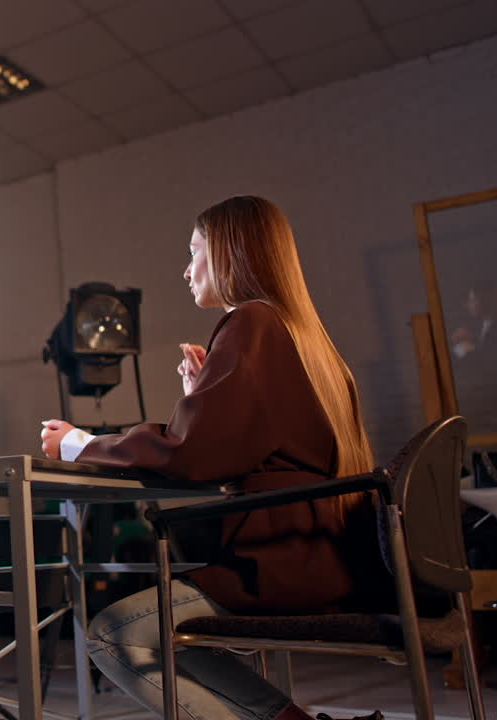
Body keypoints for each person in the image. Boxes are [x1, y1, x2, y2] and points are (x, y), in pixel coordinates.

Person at [41, 196, 384, 720]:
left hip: (280, 563)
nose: (186, 268)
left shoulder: (253, 322)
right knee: (176, 638)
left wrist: (80, 444)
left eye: (195, 250)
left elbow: (194, 454)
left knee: (113, 636)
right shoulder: (311, 341)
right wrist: (206, 394)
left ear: (229, 254)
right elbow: (257, 441)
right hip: (328, 558)